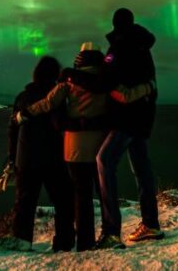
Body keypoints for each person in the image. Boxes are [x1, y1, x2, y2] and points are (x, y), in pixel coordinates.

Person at [17, 43, 111, 252]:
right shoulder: (107, 80)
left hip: (72, 150)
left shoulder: (68, 82)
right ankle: (106, 235)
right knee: (103, 193)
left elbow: (48, 104)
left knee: (81, 196)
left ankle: (83, 243)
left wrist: (25, 113)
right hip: (101, 147)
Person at [95, 8, 164, 248]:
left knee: (104, 160)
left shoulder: (120, 46)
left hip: (125, 117)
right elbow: (149, 83)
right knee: (141, 166)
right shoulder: (143, 47)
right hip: (144, 116)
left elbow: (106, 77)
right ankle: (151, 225)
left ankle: (111, 232)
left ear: (116, 25)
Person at [0, 56, 75, 252]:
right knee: (63, 201)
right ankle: (64, 243)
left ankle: (22, 243)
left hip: (26, 158)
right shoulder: (56, 97)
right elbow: (62, 124)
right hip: (53, 158)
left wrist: (12, 158)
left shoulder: (23, 97)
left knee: (24, 204)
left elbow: (12, 130)